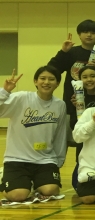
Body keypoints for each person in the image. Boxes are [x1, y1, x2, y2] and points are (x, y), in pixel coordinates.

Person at [0, 66, 67, 204]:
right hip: (17, 159)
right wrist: (5, 91)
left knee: (50, 190)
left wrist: (58, 161)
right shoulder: (21, 98)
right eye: (42, 78)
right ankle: (6, 177)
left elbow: (60, 135)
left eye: (51, 79)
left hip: (45, 160)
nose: (46, 82)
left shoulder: (60, 105)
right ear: (35, 81)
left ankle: (31, 182)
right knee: (18, 195)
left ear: (57, 83)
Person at [48, 20, 95, 114]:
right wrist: (63, 52)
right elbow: (51, 70)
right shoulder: (71, 52)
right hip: (72, 100)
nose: (89, 35)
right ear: (79, 35)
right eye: (85, 32)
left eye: (93, 33)